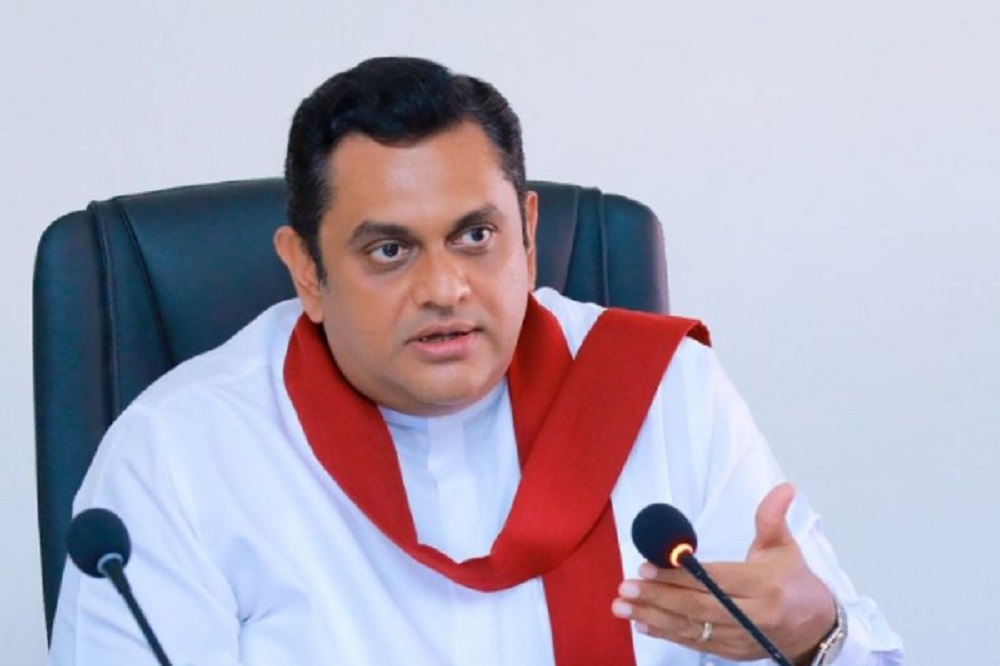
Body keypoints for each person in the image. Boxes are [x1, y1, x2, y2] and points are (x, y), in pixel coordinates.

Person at [48, 57, 903, 665]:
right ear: (306, 270)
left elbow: (854, 651)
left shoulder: (663, 393)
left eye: (474, 236)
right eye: (389, 250)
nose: (444, 288)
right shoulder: (180, 451)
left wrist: (815, 636)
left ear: (527, 232)